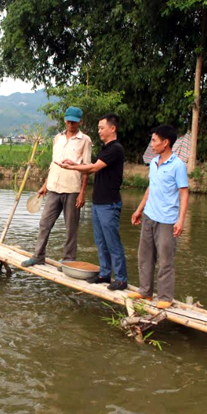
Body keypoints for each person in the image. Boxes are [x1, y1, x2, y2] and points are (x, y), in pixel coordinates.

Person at [56, 114, 128, 291]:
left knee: (112, 242)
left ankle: (121, 278)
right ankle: (104, 274)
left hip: (109, 203)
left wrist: (72, 167)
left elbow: (94, 167)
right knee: (101, 241)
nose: (99, 131)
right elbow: (93, 164)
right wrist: (74, 163)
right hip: (98, 202)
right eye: (98, 128)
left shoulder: (115, 149)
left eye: (102, 128)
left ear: (112, 129)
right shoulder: (105, 148)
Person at [21, 106, 92, 267]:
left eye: (74, 121)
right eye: (68, 120)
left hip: (72, 189)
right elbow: (53, 164)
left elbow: (87, 168)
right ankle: (38, 256)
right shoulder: (57, 138)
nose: (70, 124)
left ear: (80, 122)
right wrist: (45, 185)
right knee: (44, 223)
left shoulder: (85, 140)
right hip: (53, 188)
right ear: (64, 120)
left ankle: (68, 260)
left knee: (70, 228)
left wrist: (82, 193)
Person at [129, 125, 189, 309]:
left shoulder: (178, 165)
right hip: (149, 216)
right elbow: (151, 187)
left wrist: (180, 220)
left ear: (166, 142)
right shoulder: (154, 163)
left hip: (167, 220)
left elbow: (184, 193)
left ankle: (165, 296)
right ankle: (145, 291)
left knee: (165, 259)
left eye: (154, 140)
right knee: (145, 256)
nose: (152, 144)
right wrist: (139, 209)